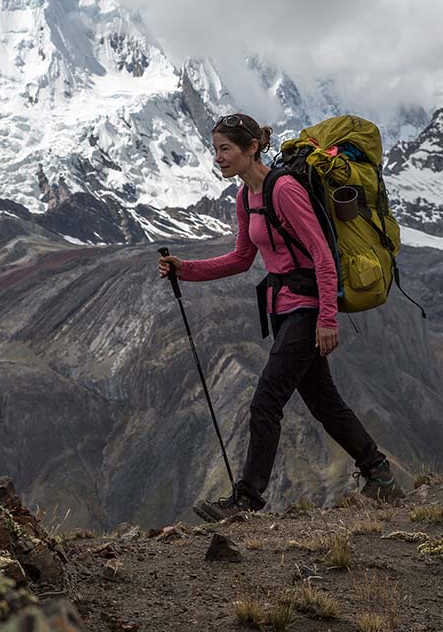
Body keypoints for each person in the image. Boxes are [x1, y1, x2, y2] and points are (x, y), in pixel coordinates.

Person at [158, 113, 402, 521]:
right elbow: (241, 259)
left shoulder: (284, 190)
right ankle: (379, 475)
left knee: (266, 401)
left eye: (225, 149)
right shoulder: (245, 198)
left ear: (251, 148)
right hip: (283, 310)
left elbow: (323, 256)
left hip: (307, 309)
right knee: (325, 403)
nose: (218, 158)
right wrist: (187, 269)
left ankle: (247, 500)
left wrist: (327, 318)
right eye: (215, 149)